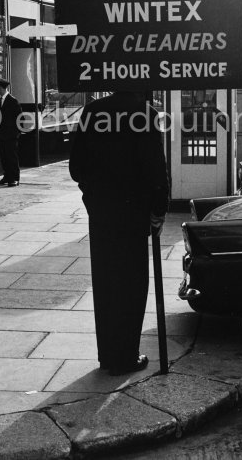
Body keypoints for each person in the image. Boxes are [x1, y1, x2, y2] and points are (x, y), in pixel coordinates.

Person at [69, 91, 169, 375]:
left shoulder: (92, 111)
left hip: (101, 212)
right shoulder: (144, 114)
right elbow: (155, 170)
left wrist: (92, 193)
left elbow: (76, 168)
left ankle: (108, 356)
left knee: (105, 283)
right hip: (133, 214)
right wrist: (158, 209)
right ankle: (126, 356)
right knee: (132, 284)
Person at [0, 77, 22, 187]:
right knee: (4, 157)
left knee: (12, 157)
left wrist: (15, 134)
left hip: (10, 135)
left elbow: (20, 119)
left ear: (0, 88)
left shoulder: (13, 101)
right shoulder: (0, 101)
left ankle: (14, 178)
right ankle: (7, 176)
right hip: (2, 135)